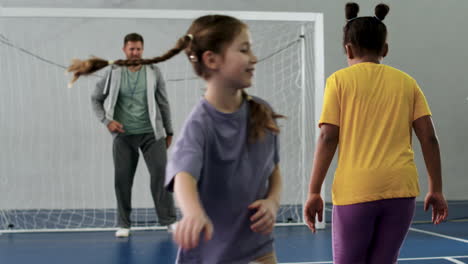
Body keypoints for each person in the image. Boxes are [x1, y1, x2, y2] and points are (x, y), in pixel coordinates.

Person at [303, 3, 448, 264]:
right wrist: (436, 188)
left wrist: (314, 191)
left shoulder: (339, 81)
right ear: (385, 49)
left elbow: (328, 136)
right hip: (401, 190)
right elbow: (429, 137)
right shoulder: (407, 82)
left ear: (347, 48)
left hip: (356, 190)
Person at [76, 32, 177, 237]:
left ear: (143, 49)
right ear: (124, 49)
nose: (135, 52)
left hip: (152, 133)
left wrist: (169, 130)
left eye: (138, 48)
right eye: (131, 49)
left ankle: (169, 221)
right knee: (122, 179)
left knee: (161, 175)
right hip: (123, 135)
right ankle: (124, 224)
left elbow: (163, 103)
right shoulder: (113, 72)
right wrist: (106, 121)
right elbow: (96, 99)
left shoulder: (153, 71)